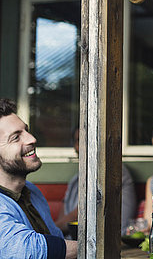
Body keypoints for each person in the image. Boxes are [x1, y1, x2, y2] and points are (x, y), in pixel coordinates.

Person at [0, 98, 77, 259]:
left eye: (26, 130)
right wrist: (97, 246)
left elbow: (55, 237)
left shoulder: (32, 191)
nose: (31, 139)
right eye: (16, 137)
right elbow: (24, 249)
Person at [55, 128, 137, 237]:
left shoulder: (114, 171)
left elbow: (83, 212)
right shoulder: (75, 180)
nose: (84, 145)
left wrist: (46, 232)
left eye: (89, 139)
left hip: (108, 244)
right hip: (76, 244)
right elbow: (62, 219)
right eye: (79, 140)